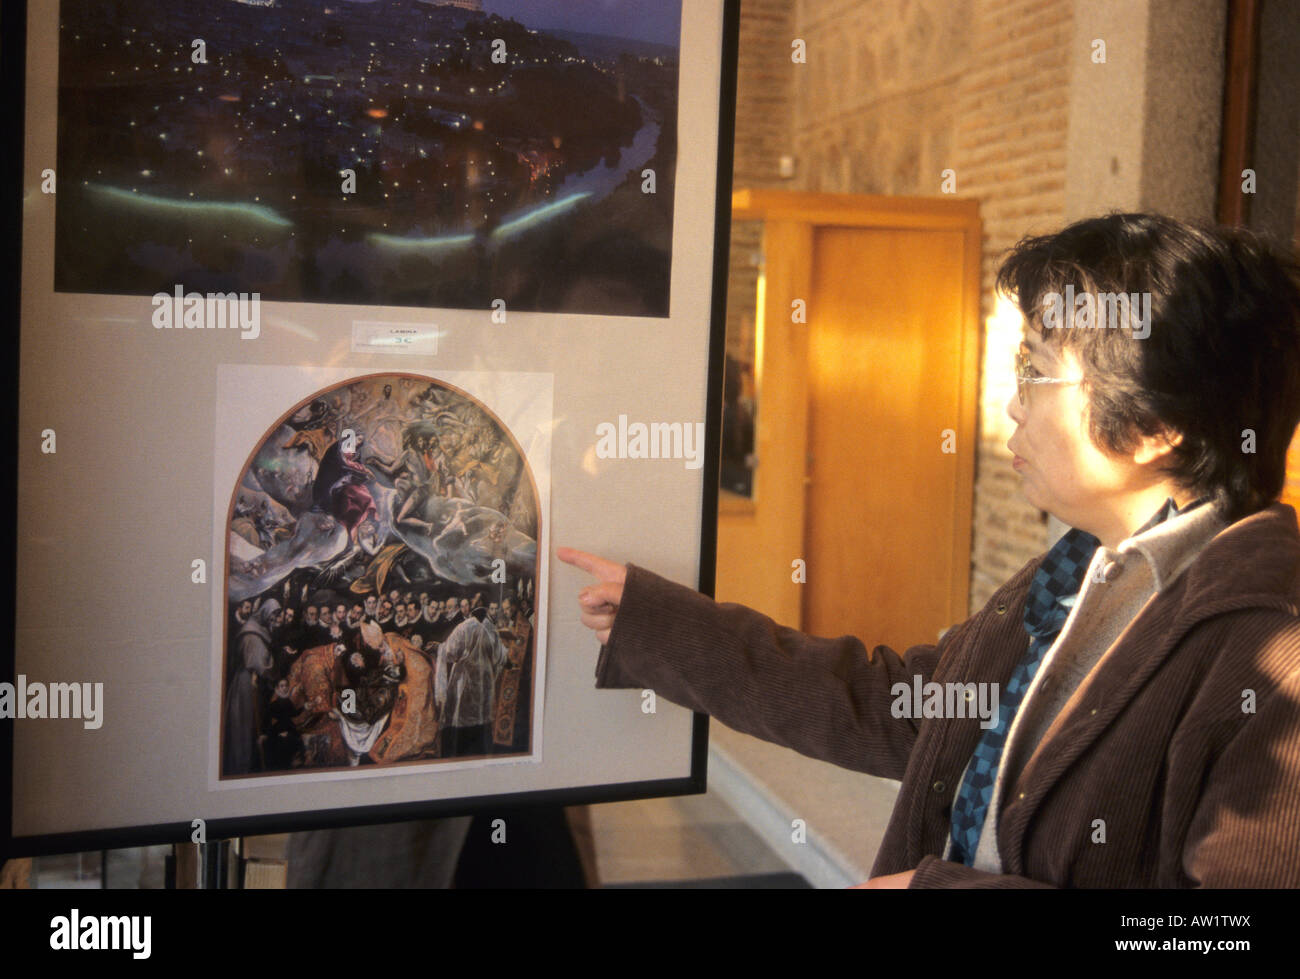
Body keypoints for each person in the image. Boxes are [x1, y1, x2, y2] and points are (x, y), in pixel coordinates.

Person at [560, 213, 1300, 888]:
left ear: (1154, 426)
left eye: (1038, 371)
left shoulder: (1272, 654)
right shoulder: (1080, 571)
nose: (1014, 401)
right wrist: (659, 624)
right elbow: (902, 708)